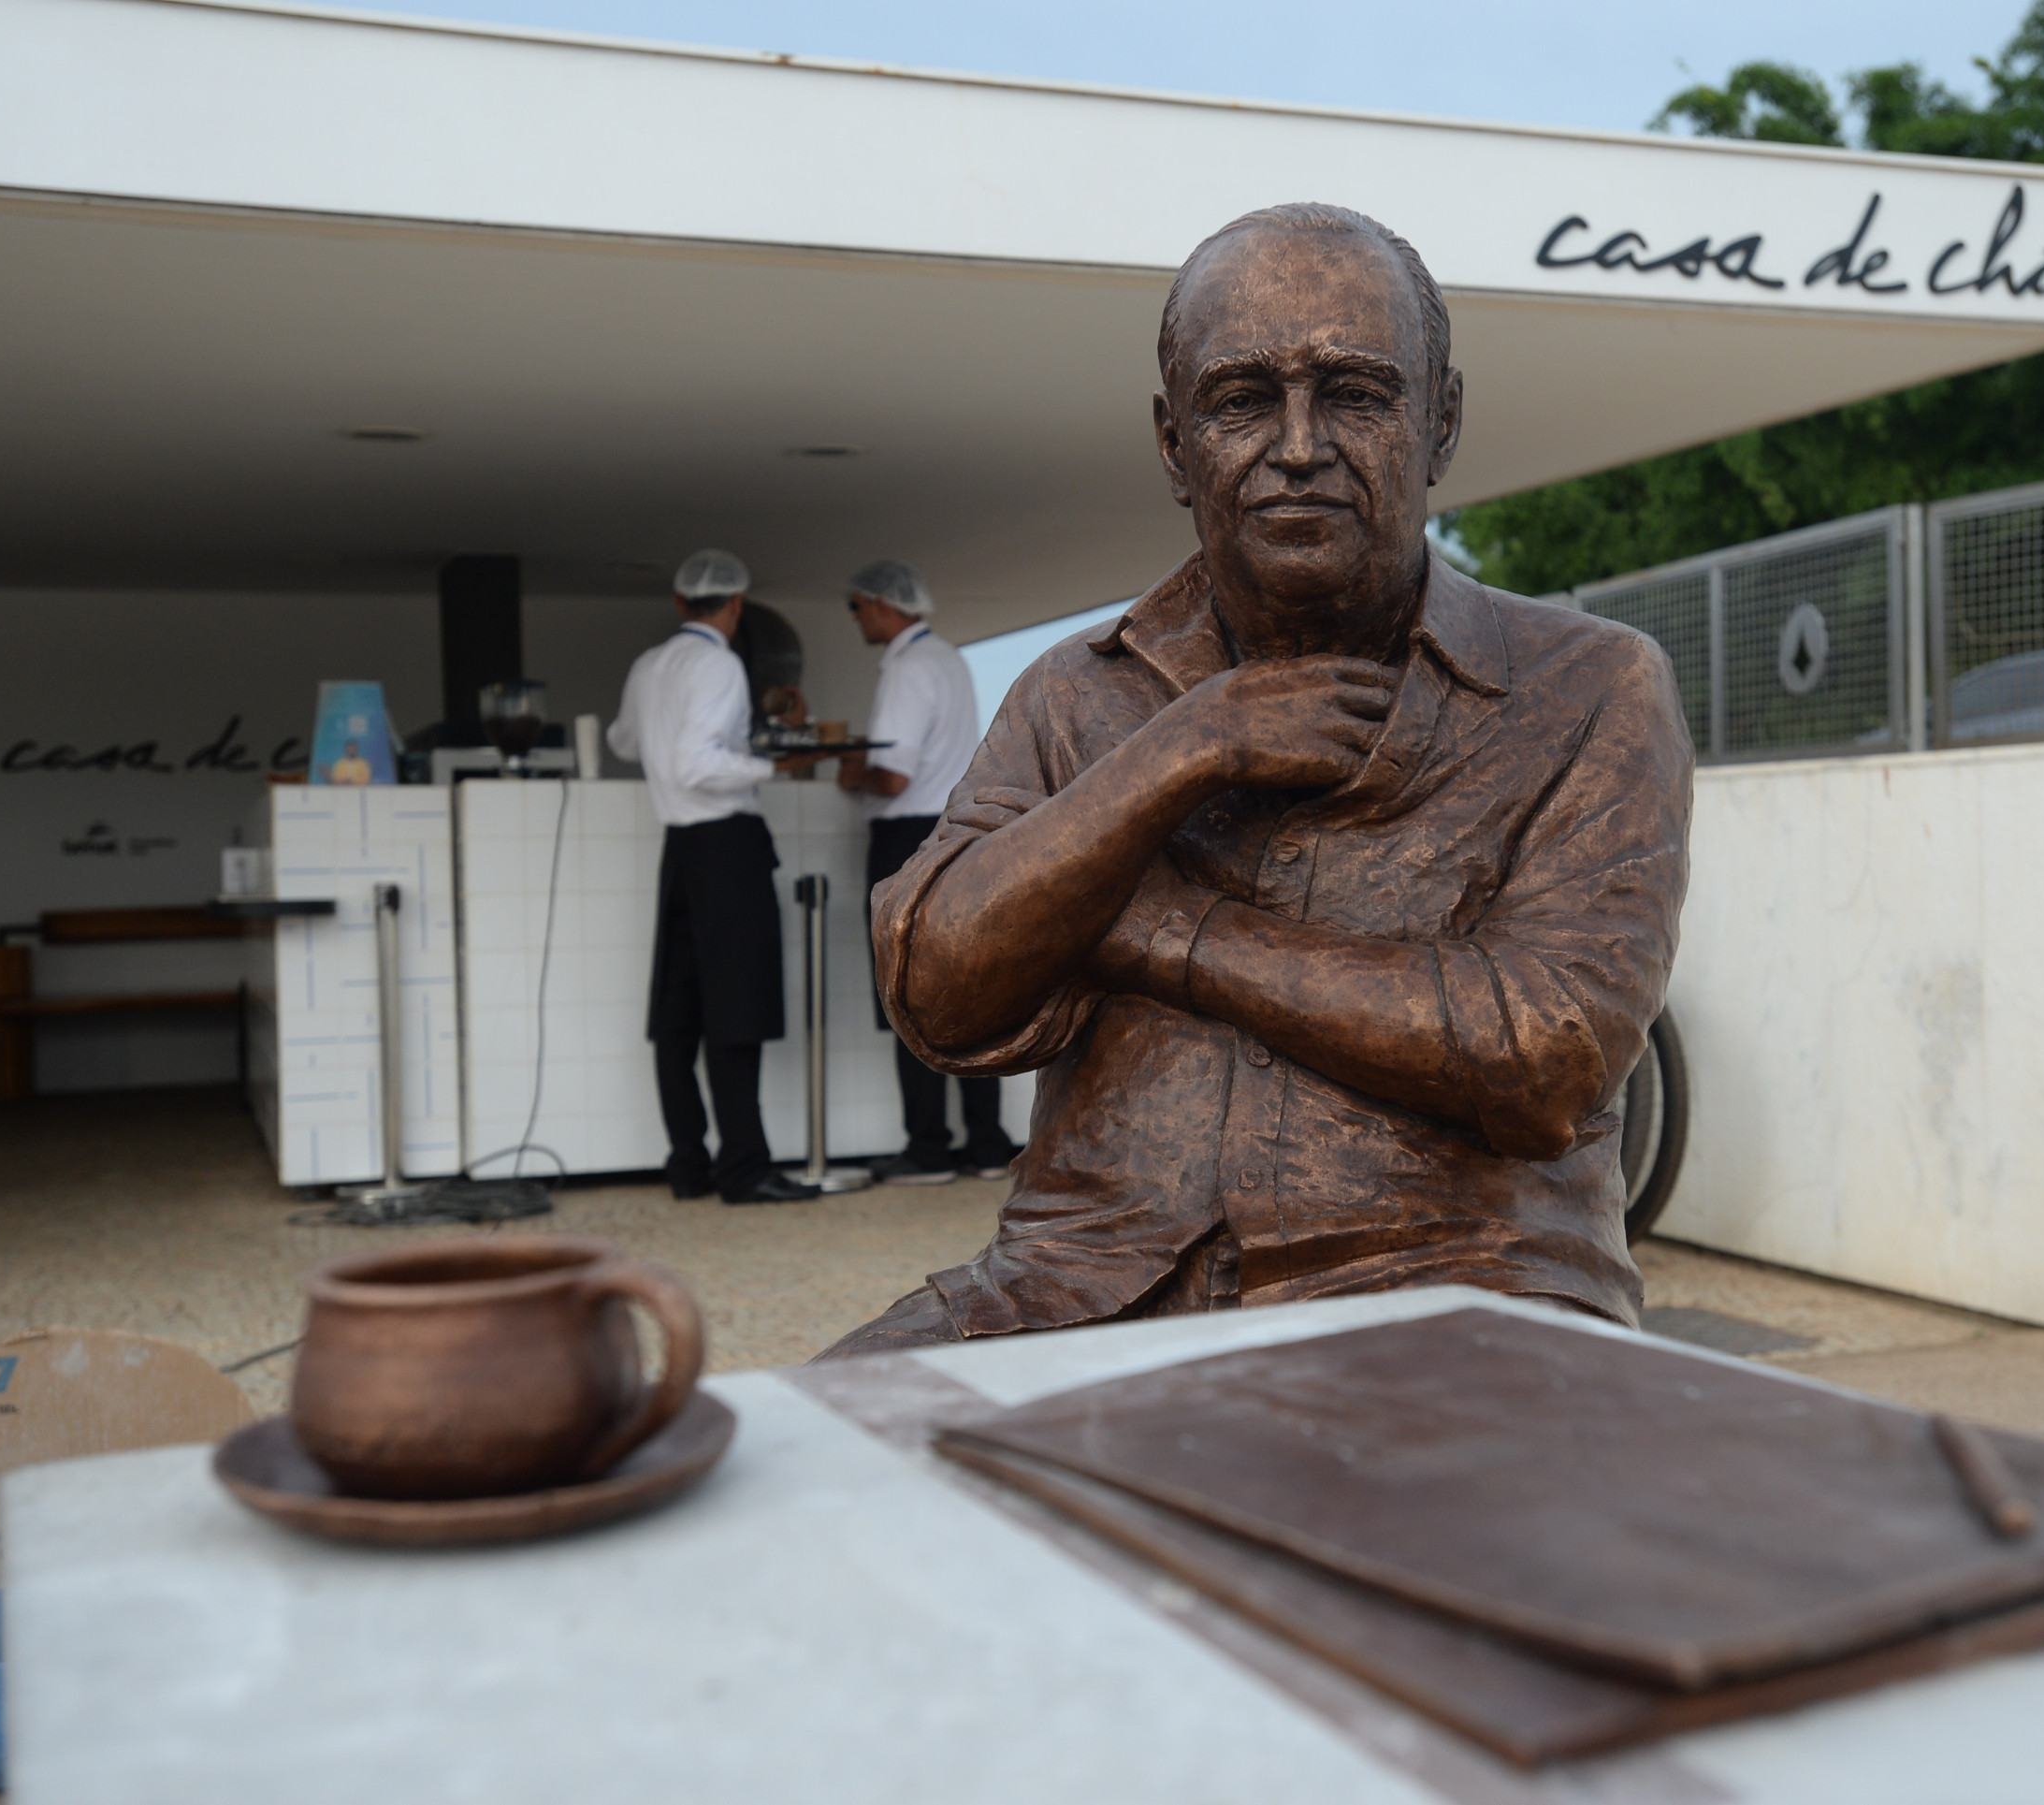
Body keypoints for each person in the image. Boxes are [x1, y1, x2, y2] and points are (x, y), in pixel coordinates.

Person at [821, 203, 1692, 1359]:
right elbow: (936, 992)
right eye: (1241, 400)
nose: (1296, 447)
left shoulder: (1588, 685)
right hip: (1075, 1287)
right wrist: (1182, 750)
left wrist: (1157, 930)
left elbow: (1548, 1053)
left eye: (1354, 394)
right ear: (1173, 445)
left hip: (1453, 1279)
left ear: (1439, 422)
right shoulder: (1076, 694)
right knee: (783, 1452)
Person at [607, 549, 819, 1206]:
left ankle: (688, 1163)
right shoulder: (719, 664)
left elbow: (624, 742)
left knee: (678, 1014)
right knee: (736, 1008)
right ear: (735, 605)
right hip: (727, 846)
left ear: (679, 602)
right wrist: (773, 764)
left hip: (680, 848)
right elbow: (698, 764)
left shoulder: (649, 664)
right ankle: (744, 1168)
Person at [824, 559, 1023, 1188]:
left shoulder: (906, 668)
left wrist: (849, 769)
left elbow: (893, 776)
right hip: (954, 833)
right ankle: (987, 1142)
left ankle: (928, 1146)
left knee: (907, 988)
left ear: (882, 605)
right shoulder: (948, 659)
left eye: (856, 607)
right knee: (965, 986)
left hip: (904, 837)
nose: (855, 618)